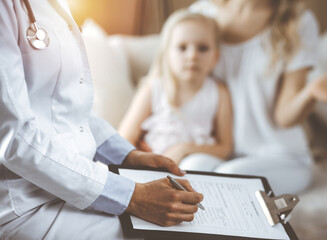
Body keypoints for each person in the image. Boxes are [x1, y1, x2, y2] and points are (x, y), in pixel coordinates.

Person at [0, 1, 204, 239]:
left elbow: (66, 107)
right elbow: (14, 140)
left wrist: (128, 157)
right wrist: (133, 196)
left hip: (71, 187)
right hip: (26, 204)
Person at [182, 0, 327, 194]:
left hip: (281, 157)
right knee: (191, 168)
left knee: (230, 177)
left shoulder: (298, 21)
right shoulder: (202, 13)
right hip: (221, 151)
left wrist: (310, 92)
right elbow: (169, 81)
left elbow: (284, 117)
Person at [118, 10, 233, 165]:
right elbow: (125, 136)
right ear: (167, 54)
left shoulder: (219, 93)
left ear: (215, 57)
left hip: (195, 164)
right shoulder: (154, 88)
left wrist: (184, 149)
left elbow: (225, 148)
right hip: (151, 163)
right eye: (182, 47)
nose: (192, 55)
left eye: (203, 48)